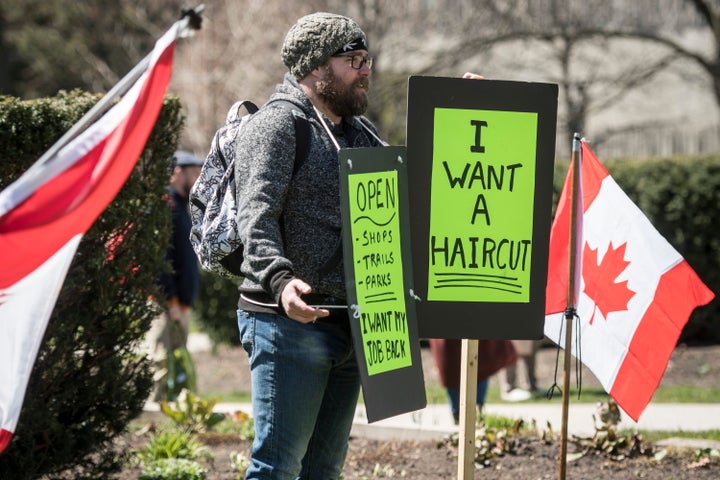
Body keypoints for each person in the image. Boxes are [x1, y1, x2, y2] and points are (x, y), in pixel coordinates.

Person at [229, 12, 483, 479]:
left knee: (324, 468)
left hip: (352, 325)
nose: (367, 69)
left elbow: (416, 189)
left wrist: (463, 109)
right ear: (315, 67)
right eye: (354, 60)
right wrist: (282, 282)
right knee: (276, 468)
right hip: (288, 325)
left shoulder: (358, 135)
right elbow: (255, 217)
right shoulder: (276, 126)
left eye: (368, 59)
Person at [146, 150, 204, 401]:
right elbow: (159, 258)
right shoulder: (163, 206)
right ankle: (152, 407)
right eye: (194, 172)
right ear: (178, 172)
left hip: (180, 302)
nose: (198, 178)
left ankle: (176, 404)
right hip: (165, 302)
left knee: (178, 357)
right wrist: (169, 300)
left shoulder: (181, 206)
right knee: (159, 356)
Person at [429, 338, 517, 423]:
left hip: (477, 345)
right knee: (453, 373)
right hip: (450, 344)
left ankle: (476, 417)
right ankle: (460, 419)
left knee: (480, 370)